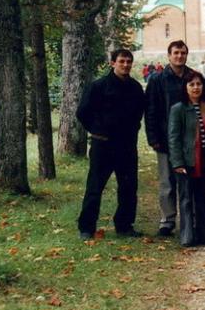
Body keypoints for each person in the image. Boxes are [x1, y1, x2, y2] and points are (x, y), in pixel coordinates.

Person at [76, 49, 145, 239]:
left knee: (129, 187)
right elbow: (82, 112)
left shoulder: (136, 88)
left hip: (126, 145)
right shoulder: (98, 86)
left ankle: (124, 225)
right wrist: (96, 130)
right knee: (95, 187)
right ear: (112, 63)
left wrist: (132, 131)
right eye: (122, 61)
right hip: (103, 145)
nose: (125, 65)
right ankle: (86, 228)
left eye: (128, 62)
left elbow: (139, 113)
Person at [145, 40, 192, 236]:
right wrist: (153, 137)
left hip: (188, 138)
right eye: (176, 53)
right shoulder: (158, 79)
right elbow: (150, 110)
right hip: (164, 138)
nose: (179, 56)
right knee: (167, 181)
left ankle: (190, 218)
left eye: (182, 53)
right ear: (169, 55)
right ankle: (168, 219)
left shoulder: (192, 76)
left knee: (188, 180)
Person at [168, 71, 205, 247]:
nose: (196, 88)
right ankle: (187, 234)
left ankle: (204, 232)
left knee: (201, 197)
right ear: (186, 87)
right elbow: (174, 138)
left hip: (203, 160)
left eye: (198, 84)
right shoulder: (178, 108)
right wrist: (178, 162)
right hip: (186, 161)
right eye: (192, 85)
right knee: (186, 198)